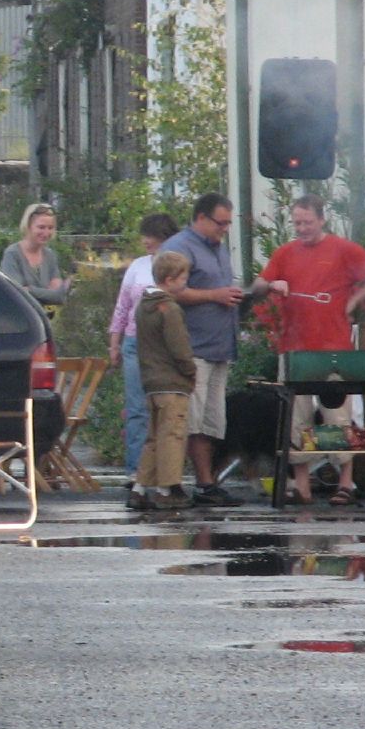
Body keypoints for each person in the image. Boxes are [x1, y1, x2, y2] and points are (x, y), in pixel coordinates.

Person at [245, 193, 365, 503]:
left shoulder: (341, 249)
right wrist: (273, 285)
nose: (302, 228)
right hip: (295, 348)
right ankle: (301, 486)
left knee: (337, 417)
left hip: (334, 347)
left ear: (321, 219)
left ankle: (345, 483)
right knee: (296, 419)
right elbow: (257, 286)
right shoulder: (285, 253)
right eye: (297, 222)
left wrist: (355, 299)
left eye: (307, 222)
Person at [161, 193, 243, 507]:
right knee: (191, 420)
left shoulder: (219, 248)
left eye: (228, 224)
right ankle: (189, 483)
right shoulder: (180, 247)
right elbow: (172, 291)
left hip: (220, 345)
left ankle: (207, 483)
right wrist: (214, 295)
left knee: (211, 420)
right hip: (194, 346)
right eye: (220, 223)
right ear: (201, 218)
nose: (224, 229)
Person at [107, 212, 178, 493]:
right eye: (146, 236)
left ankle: (163, 469)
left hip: (163, 345)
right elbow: (122, 307)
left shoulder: (176, 267)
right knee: (137, 407)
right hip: (135, 342)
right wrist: (115, 342)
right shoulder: (137, 266)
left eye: (154, 237)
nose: (148, 242)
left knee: (165, 408)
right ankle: (135, 469)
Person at [133, 251, 197, 511]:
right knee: (172, 435)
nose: (185, 282)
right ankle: (167, 488)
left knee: (154, 437)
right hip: (172, 382)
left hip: (151, 382)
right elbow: (179, 347)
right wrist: (190, 370)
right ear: (170, 279)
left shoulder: (143, 306)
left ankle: (139, 488)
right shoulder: (169, 309)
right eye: (183, 277)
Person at [0, 202, 71, 309]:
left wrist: (30, 290)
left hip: (45, 318)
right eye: (41, 227)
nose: (46, 233)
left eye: (50, 228)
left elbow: (59, 297)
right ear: (28, 226)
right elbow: (16, 293)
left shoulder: (50, 255)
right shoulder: (12, 254)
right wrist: (47, 293)